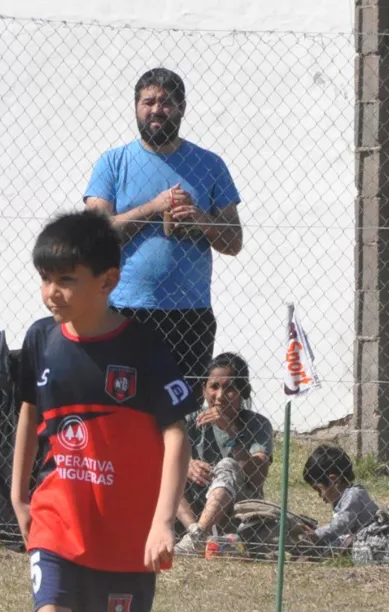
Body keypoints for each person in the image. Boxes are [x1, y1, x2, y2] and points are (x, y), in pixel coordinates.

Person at [6, 210, 196, 612]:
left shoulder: (142, 348)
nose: (52, 292)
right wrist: (17, 493)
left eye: (66, 279)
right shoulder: (40, 338)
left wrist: (162, 520)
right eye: (45, 278)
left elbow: (175, 433)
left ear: (107, 281)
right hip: (59, 513)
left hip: (125, 530)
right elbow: (31, 415)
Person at [84, 68, 243, 386]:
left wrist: (201, 220)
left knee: (182, 412)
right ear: (136, 106)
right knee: (124, 407)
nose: (156, 109)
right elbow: (94, 236)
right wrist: (154, 208)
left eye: (166, 102)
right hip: (124, 308)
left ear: (182, 107)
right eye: (148, 101)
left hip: (190, 312)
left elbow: (233, 241)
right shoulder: (113, 162)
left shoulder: (210, 164)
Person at [174, 353, 272, 555]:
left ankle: (197, 538)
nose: (219, 396)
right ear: (204, 390)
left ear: (242, 392)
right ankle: (195, 534)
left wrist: (230, 432)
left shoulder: (257, 424)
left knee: (227, 464)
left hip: (237, 508)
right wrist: (187, 464)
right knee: (170, 465)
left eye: (229, 389)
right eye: (214, 387)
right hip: (193, 509)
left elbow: (258, 476)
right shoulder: (191, 420)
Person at [295, 445, 378, 557]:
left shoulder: (354, 495)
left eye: (319, 489)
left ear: (334, 480)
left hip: (373, 540)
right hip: (359, 540)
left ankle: (316, 554)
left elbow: (341, 524)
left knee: (337, 543)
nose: (319, 495)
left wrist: (317, 534)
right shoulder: (342, 498)